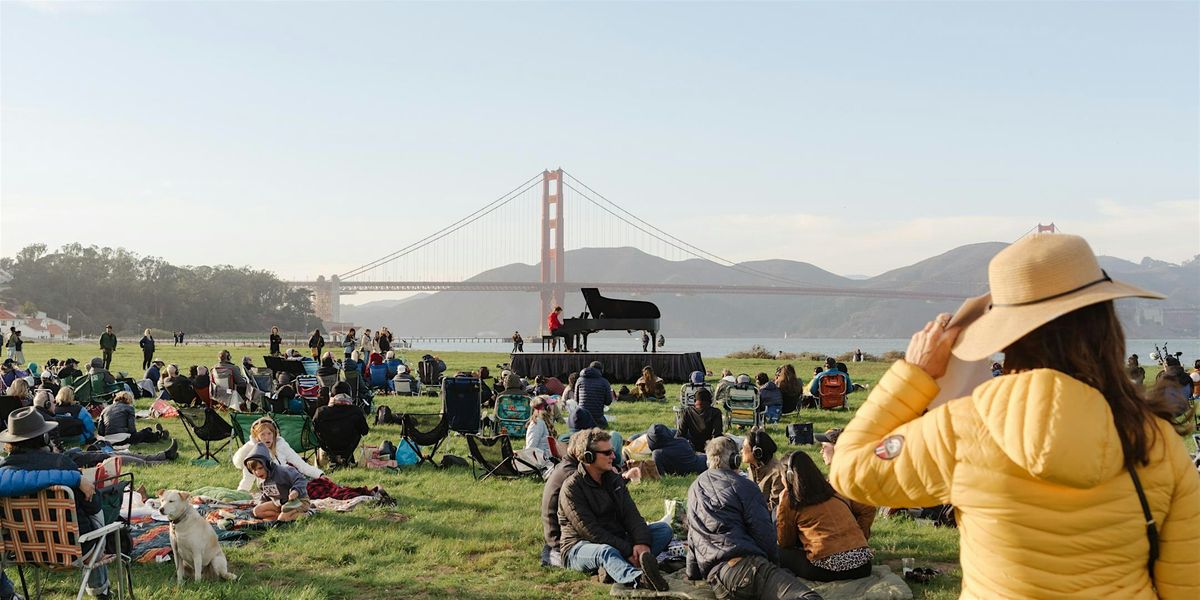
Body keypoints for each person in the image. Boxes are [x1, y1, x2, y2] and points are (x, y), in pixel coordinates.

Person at [828, 233, 1199, 598]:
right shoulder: (1157, 439)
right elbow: (1187, 586)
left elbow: (849, 469)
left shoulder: (962, 426)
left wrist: (916, 372)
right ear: (1108, 324)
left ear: (1005, 338)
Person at [686, 437, 824, 600]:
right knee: (809, 597)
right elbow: (764, 533)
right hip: (745, 570)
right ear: (734, 460)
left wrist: (692, 573)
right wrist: (774, 568)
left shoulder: (694, 488)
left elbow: (693, 536)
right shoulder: (743, 486)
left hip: (717, 581)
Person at [0, 407, 112, 598]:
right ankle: (100, 590)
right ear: (44, 438)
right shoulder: (61, 463)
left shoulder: (5, 470)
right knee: (95, 515)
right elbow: (92, 506)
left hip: (22, 551)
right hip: (74, 551)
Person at [558, 428, 672, 591]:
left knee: (663, 530)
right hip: (579, 547)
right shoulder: (572, 488)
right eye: (607, 452)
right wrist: (627, 550)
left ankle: (614, 568)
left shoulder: (614, 479)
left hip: (616, 540)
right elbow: (591, 532)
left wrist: (642, 543)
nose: (613, 456)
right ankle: (639, 579)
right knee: (606, 552)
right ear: (588, 456)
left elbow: (631, 514)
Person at [777, 451, 873, 582]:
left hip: (825, 570)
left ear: (789, 477)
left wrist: (780, 508)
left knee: (779, 552)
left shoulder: (789, 500)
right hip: (863, 567)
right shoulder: (834, 489)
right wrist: (862, 537)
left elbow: (785, 541)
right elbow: (868, 508)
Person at [232, 417, 323, 491]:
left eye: (269, 433)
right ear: (257, 437)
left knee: (322, 487)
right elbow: (247, 476)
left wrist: (320, 474)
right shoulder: (254, 451)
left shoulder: (281, 445)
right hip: (269, 488)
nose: (267, 438)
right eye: (262, 434)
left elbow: (300, 464)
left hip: (287, 482)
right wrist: (241, 493)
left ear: (275, 434)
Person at [541, 430, 589, 567]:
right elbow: (584, 521)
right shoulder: (573, 476)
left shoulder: (565, 467)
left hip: (556, 536)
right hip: (561, 542)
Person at [243, 443, 310, 522]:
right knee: (257, 511)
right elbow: (266, 494)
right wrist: (262, 503)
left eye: (260, 468)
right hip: (280, 503)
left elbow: (301, 479)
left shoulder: (283, 471)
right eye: (254, 470)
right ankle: (281, 517)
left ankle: (307, 514)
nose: (257, 472)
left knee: (283, 518)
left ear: (268, 464)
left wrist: (296, 491)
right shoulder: (261, 480)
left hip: (298, 501)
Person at [312, 383, 370, 467]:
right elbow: (364, 431)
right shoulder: (356, 411)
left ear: (331, 395)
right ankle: (347, 458)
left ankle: (331, 458)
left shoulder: (321, 411)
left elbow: (313, 429)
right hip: (348, 446)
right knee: (358, 432)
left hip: (328, 446)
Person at [98, 391, 168, 445]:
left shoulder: (105, 410)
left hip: (108, 439)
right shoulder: (129, 408)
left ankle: (157, 434)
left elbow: (100, 431)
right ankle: (158, 435)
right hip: (123, 438)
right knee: (145, 432)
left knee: (142, 436)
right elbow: (132, 429)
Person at [743, 428, 786, 513]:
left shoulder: (777, 474)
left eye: (744, 447)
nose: (741, 450)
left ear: (757, 452)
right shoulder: (752, 467)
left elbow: (774, 507)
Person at [677, 388, 723, 453]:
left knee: (673, 431)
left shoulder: (687, 412)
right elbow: (717, 435)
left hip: (692, 448)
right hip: (710, 449)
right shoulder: (716, 412)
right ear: (710, 401)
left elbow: (681, 434)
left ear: (695, 401)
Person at [576, 362, 614, 428]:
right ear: (601, 370)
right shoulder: (604, 382)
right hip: (597, 417)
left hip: (582, 416)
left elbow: (576, 399)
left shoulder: (579, 380)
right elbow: (608, 401)